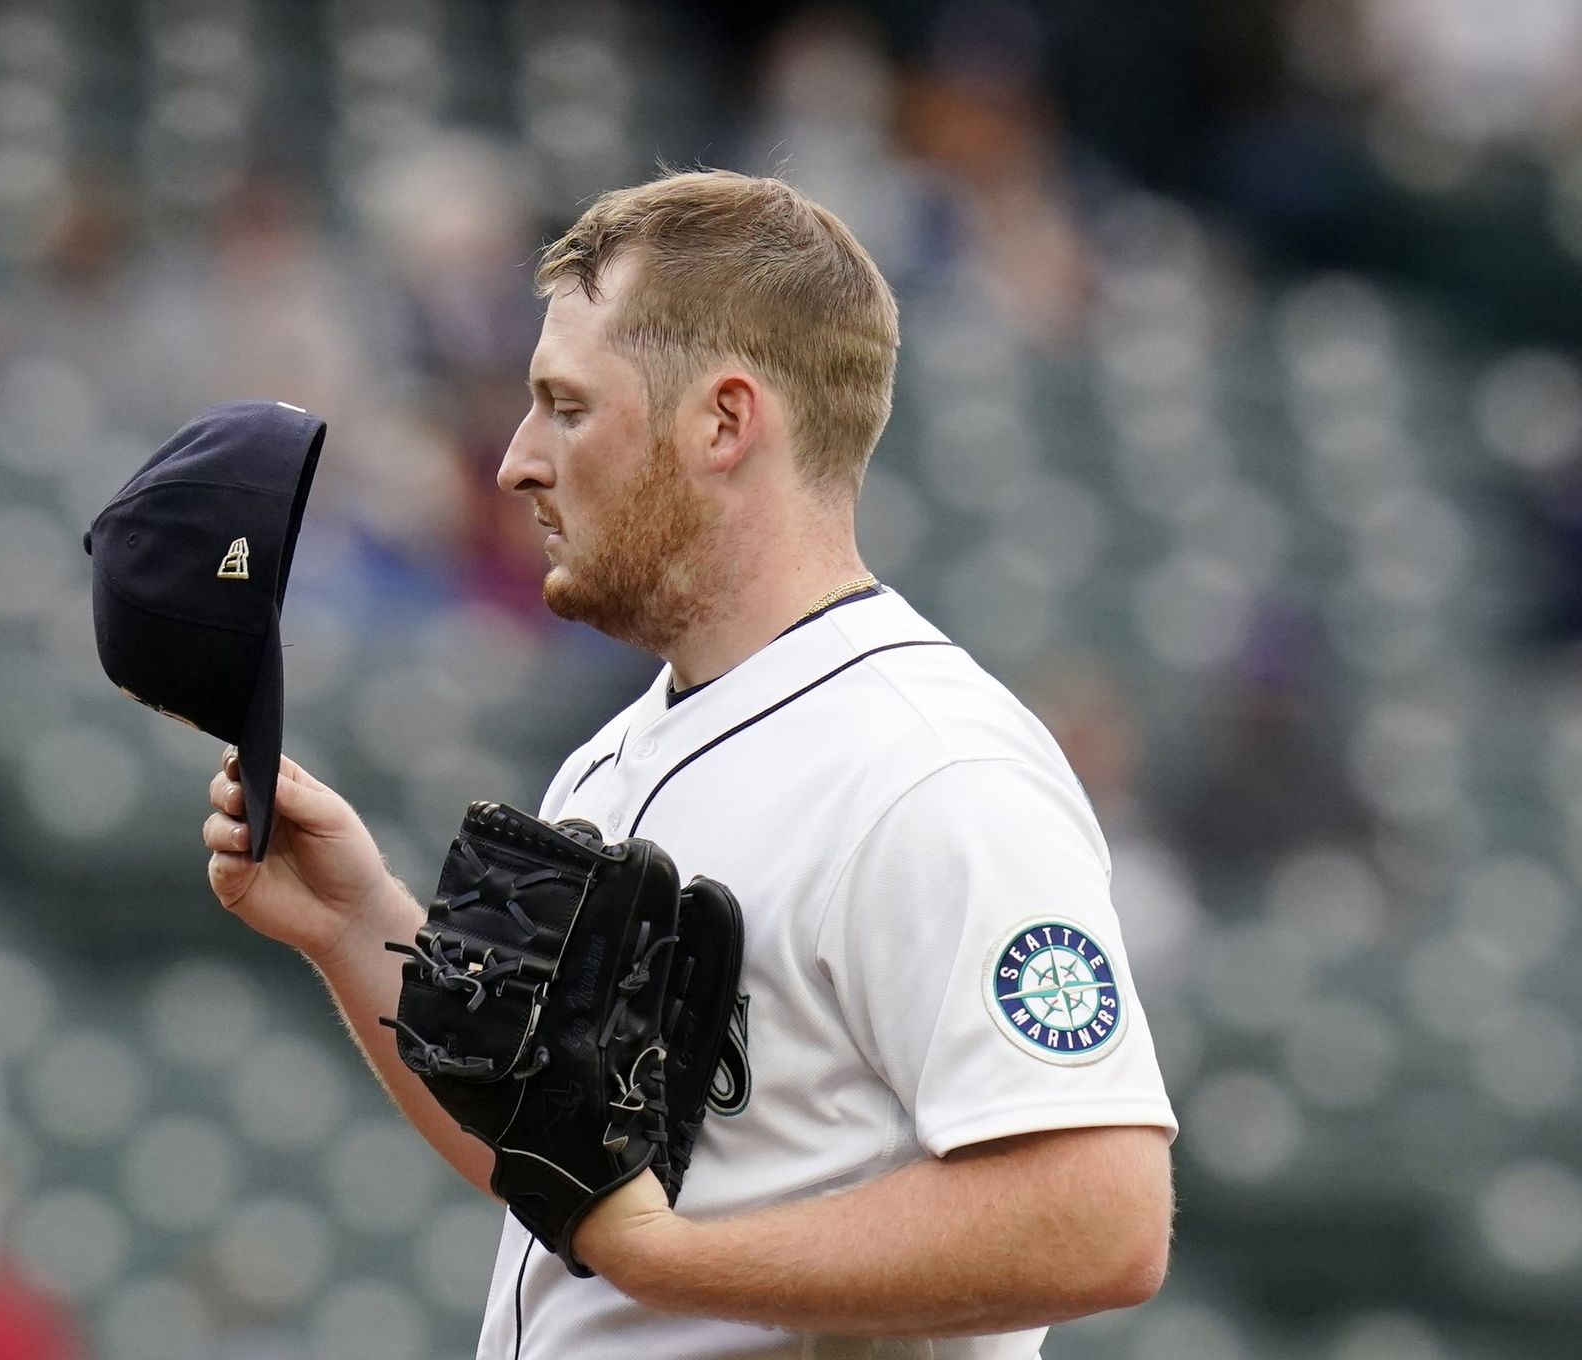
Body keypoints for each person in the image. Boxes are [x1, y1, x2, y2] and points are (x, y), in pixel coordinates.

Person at [202, 169, 1176, 1359]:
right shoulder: (615, 756)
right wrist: (357, 927)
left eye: (566, 406)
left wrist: (667, 1260)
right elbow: (566, 1176)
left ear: (723, 421)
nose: (514, 461)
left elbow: (1100, 1217)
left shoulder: (931, 771)